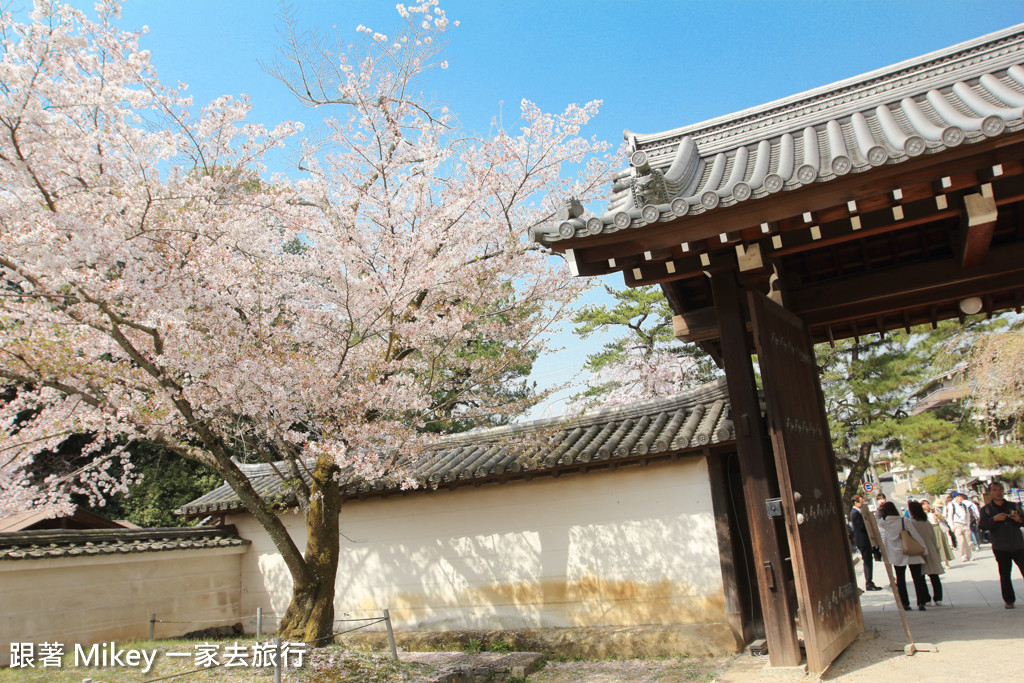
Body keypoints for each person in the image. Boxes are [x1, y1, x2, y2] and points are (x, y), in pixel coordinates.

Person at [877, 501, 930, 611]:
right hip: (910, 552)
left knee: (900, 580)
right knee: (917, 578)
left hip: (896, 555)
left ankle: (905, 603)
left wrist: (880, 509)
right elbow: (915, 534)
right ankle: (921, 602)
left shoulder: (884, 523)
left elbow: (876, 517)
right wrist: (923, 548)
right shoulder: (903, 520)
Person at [978, 482, 1024, 609]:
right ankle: (1009, 600)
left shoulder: (1013, 506)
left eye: (1000, 489)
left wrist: (1019, 519)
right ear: (990, 492)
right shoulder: (986, 509)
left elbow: (1023, 520)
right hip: (1000, 546)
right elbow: (982, 526)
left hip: (1018, 544)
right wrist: (994, 519)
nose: (998, 492)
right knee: (1005, 574)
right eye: (995, 490)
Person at [908, 501, 944, 605]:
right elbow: (933, 537)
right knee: (934, 575)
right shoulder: (927, 522)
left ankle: (926, 598)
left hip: (918, 549)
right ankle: (938, 598)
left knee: (921, 576)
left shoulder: (911, 523)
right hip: (930, 548)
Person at [850, 494, 883, 591]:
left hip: (865, 540)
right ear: (855, 503)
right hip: (863, 541)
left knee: (868, 561)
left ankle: (870, 581)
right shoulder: (855, 513)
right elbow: (862, 527)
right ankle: (869, 582)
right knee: (867, 561)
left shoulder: (858, 512)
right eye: (861, 501)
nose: (862, 503)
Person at [921, 499, 954, 569]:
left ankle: (946, 562)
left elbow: (942, 518)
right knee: (934, 547)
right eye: (924, 504)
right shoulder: (922, 514)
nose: (926, 505)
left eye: (927, 503)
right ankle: (937, 563)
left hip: (937, 528)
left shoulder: (933, 511)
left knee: (942, 545)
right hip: (929, 530)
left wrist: (937, 515)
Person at [946, 492, 973, 561]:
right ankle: (963, 555)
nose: (960, 498)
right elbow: (950, 516)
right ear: (955, 498)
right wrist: (951, 526)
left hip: (965, 524)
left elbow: (967, 515)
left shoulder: (964, 505)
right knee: (961, 541)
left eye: (960, 496)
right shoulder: (951, 504)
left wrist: (968, 524)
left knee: (968, 540)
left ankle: (969, 555)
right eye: (958, 497)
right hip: (957, 524)